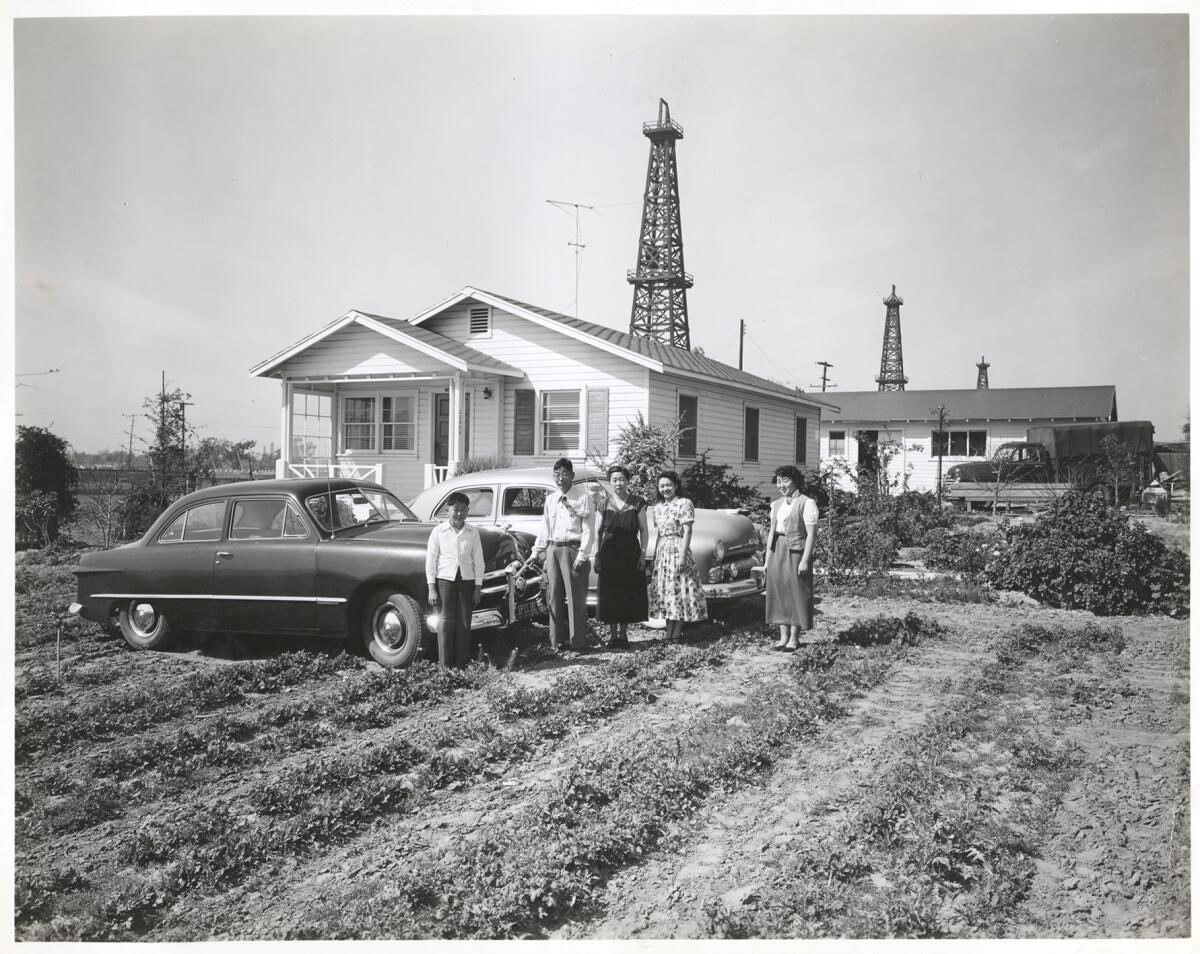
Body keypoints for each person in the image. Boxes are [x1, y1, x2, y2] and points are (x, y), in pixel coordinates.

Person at [533, 457, 597, 652]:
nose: (560, 478)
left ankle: (578, 643)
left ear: (572, 476)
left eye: (564, 474)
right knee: (554, 597)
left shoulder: (583, 498)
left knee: (576, 599)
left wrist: (582, 555)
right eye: (557, 474)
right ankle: (556, 643)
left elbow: (588, 530)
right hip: (553, 550)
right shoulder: (551, 499)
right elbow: (545, 527)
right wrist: (537, 550)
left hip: (573, 550)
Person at [425, 491, 484, 668]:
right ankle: (445, 669)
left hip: (466, 581)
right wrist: (432, 588)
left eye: (463, 509)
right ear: (447, 510)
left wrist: (477, 587)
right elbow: (431, 560)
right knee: (444, 625)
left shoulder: (472, 532)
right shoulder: (438, 531)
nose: (459, 513)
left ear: (468, 511)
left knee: (464, 625)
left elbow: (478, 561)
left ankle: (461, 667)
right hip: (444, 582)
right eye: (455, 509)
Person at [647, 470, 707, 641]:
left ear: (676, 486)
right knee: (666, 591)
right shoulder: (657, 508)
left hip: (678, 548)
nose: (665, 489)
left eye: (668, 485)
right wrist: (655, 557)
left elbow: (688, 531)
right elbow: (659, 534)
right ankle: (668, 631)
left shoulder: (684, 503)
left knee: (679, 590)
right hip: (663, 552)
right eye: (662, 486)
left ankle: (677, 632)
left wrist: (681, 556)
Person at [765, 464, 819, 652]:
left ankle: (794, 639)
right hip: (777, 549)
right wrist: (767, 558)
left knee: (796, 592)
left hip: (797, 551)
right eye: (779, 481)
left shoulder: (807, 503)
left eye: (785, 480)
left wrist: (805, 559)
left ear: (795, 482)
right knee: (779, 592)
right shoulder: (776, 504)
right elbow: (772, 532)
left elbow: (811, 535)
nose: (781, 485)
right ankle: (783, 638)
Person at [595, 464, 649, 648]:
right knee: (610, 594)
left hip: (630, 553)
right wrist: (597, 556)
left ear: (628, 481)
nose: (618, 483)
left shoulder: (637, 502)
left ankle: (624, 635)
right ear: (609, 483)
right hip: (608, 553)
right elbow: (597, 532)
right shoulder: (603, 503)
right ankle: (612, 636)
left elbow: (643, 530)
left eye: (622, 479)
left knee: (627, 593)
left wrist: (642, 555)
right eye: (614, 480)